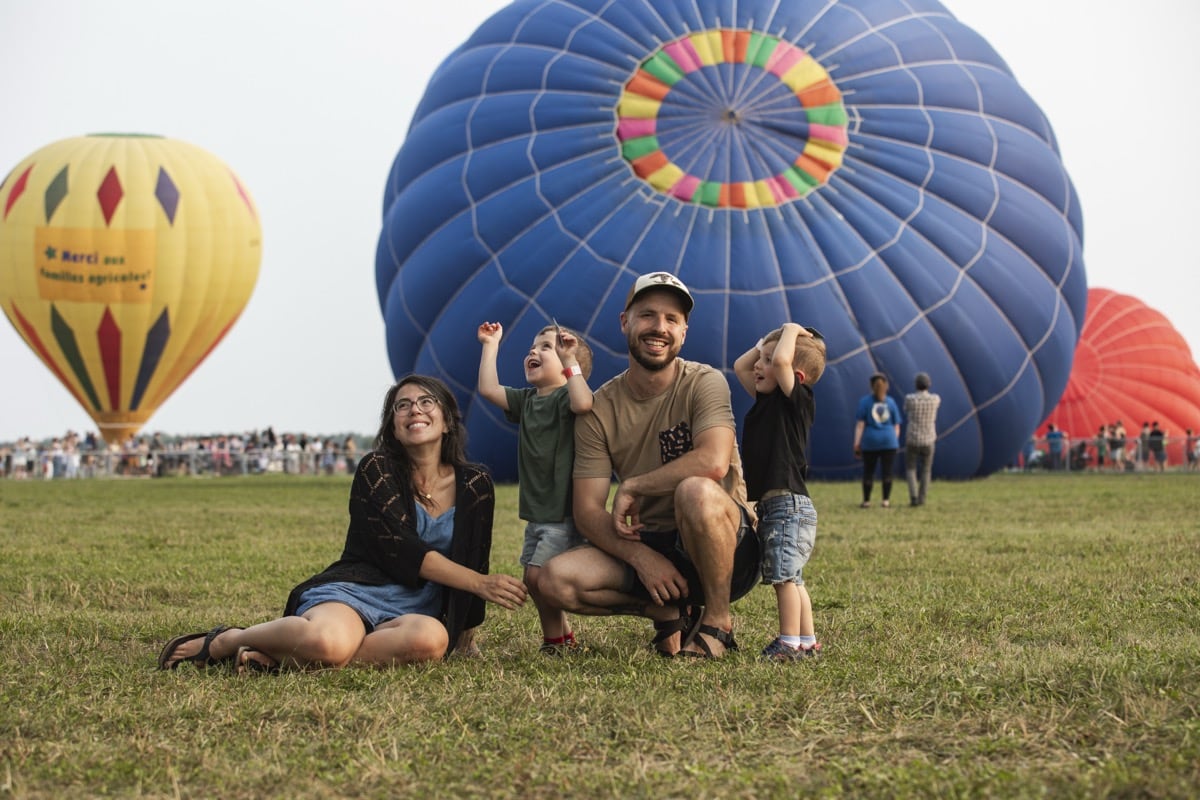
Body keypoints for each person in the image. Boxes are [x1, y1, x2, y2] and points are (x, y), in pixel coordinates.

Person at [157, 375, 527, 673]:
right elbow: (401, 550)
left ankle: (283, 660)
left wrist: (466, 638)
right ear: (394, 427)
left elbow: (473, 557)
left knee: (432, 642)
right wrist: (481, 583)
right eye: (402, 405)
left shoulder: (475, 483)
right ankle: (227, 641)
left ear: (446, 420)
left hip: (416, 609)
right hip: (357, 592)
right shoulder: (376, 470)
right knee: (327, 643)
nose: (415, 409)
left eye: (426, 401)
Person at [539, 271, 760, 659]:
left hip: (728, 545)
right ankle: (668, 612)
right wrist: (642, 558)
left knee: (694, 490)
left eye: (672, 320)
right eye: (648, 316)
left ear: (684, 332)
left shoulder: (704, 382)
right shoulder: (598, 409)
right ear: (625, 322)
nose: (659, 328)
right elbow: (588, 510)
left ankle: (718, 622)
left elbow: (712, 462)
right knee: (555, 580)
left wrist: (634, 486)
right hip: (653, 544)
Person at [477, 319, 595, 654]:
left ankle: (554, 641)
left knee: (538, 576)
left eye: (547, 347)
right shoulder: (527, 400)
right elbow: (488, 389)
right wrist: (491, 346)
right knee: (532, 579)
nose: (534, 350)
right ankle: (562, 638)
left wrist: (570, 360)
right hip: (538, 514)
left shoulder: (565, 400)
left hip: (563, 513)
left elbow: (584, 403)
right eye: (533, 346)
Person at [733, 322, 826, 661]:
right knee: (794, 578)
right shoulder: (765, 400)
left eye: (768, 360)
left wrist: (790, 330)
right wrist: (766, 342)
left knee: (784, 578)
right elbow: (740, 366)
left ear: (795, 376)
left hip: (787, 504)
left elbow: (785, 363)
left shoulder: (797, 401)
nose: (759, 365)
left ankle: (788, 642)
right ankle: (807, 640)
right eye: (763, 358)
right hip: (780, 505)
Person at [852, 373, 902, 507]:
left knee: (868, 471)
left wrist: (856, 443)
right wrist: (893, 441)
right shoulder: (890, 402)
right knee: (888, 472)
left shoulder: (864, 402)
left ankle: (866, 501)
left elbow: (860, 425)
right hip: (889, 441)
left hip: (870, 441)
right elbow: (897, 425)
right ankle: (885, 501)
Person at [902, 372, 940, 506]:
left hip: (912, 438)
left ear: (916, 385)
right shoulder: (935, 399)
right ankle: (922, 499)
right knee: (926, 470)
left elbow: (905, 409)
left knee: (910, 469)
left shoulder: (910, 399)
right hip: (929, 439)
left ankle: (913, 497)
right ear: (928, 384)